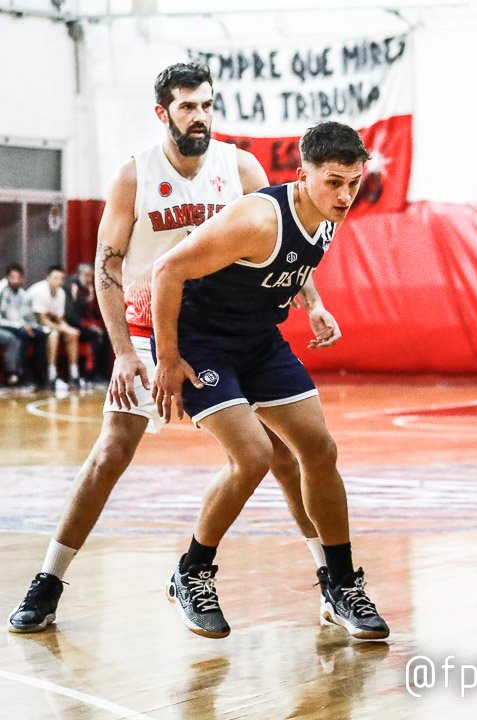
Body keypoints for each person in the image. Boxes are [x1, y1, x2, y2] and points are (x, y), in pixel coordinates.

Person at [8, 62, 331, 634]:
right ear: (164, 113)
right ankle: (49, 581)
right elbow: (106, 270)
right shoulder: (135, 175)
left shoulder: (240, 166)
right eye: (187, 107)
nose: (200, 116)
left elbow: (281, 239)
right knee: (112, 452)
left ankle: (331, 582)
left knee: (281, 457)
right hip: (145, 326)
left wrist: (312, 301)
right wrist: (126, 354)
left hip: (224, 329)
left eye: (207, 105)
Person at [151, 120, 389, 641]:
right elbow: (166, 271)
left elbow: (295, 264)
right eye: (333, 182)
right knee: (255, 456)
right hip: (200, 342)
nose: (346, 195)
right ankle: (191, 572)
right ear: (302, 174)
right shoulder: (258, 218)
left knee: (319, 450)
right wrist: (167, 359)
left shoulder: (327, 214)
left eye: (354, 182)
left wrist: (316, 305)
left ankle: (341, 584)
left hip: (258, 339)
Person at [27, 265, 82, 391]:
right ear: (48, 278)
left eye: (61, 278)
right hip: (29, 324)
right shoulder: (39, 291)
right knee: (54, 335)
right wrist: (63, 329)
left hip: (45, 325)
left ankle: (74, 375)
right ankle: (52, 376)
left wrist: (69, 329)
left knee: (72, 334)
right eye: (55, 278)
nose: (59, 281)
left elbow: (59, 319)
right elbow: (42, 320)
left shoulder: (61, 293)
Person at [1, 264, 49, 387]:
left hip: (15, 324)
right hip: (3, 324)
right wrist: (21, 325)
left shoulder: (22, 294)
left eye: (18, 277)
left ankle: (39, 376)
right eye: (12, 277)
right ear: (7, 277)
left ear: (22, 278)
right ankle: (21, 376)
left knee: (40, 335)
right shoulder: (2, 290)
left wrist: (30, 325)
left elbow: (24, 316)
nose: (15, 280)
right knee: (21, 336)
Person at [64, 262, 111, 382]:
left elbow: (90, 311)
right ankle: (90, 374)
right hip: (69, 323)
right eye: (88, 276)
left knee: (106, 335)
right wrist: (88, 326)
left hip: (82, 323)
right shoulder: (70, 286)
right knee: (95, 336)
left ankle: (103, 373)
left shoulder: (88, 287)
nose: (91, 279)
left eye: (92, 276)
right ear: (81, 274)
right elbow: (69, 313)